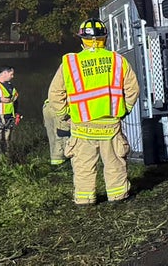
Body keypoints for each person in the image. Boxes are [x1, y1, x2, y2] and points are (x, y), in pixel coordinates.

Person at [46, 18, 141, 205]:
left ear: (82, 40)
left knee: (84, 167)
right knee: (115, 163)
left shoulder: (70, 62)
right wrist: (124, 110)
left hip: (82, 125)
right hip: (110, 125)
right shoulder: (117, 60)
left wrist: (65, 114)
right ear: (104, 38)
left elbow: (55, 93)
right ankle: (118, 197)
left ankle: (85, 201)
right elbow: (133, 89)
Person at [42, 98, 69, 168]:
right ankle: (60, 163)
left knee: (52, 136)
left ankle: (54, 160)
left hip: (48, 106)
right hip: (60, 108)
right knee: (62, 135)